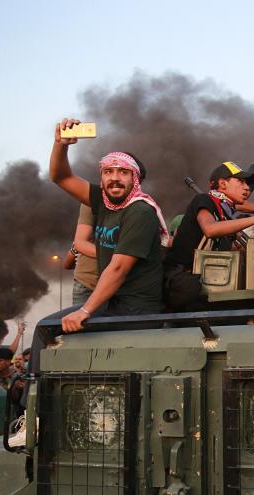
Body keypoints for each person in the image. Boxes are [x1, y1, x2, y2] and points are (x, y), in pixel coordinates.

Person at [48, 118, 168, 333]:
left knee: (49, 330)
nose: (115, 178)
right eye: (108, 172)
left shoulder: (139, 211)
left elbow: (118, 268)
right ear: (101, 178)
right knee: (49, 326)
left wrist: (85, 311)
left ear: (135, 179)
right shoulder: (101, 201)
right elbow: (60, 176)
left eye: (123, 172)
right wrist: (61, 145)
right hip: (113, 303)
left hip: (136, 310)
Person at [164, 162, 254, 311]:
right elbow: (210, 229)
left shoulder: (225, 214)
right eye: (241, 181)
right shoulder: (205, 200)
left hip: (204, 285)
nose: (247, 188)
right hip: (183, 285)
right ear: (222, 184)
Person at [67, 204, 99, 305]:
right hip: (87, 284)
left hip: (119, 284)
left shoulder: (138, 205)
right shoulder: (91, 203)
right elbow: (67, 263)